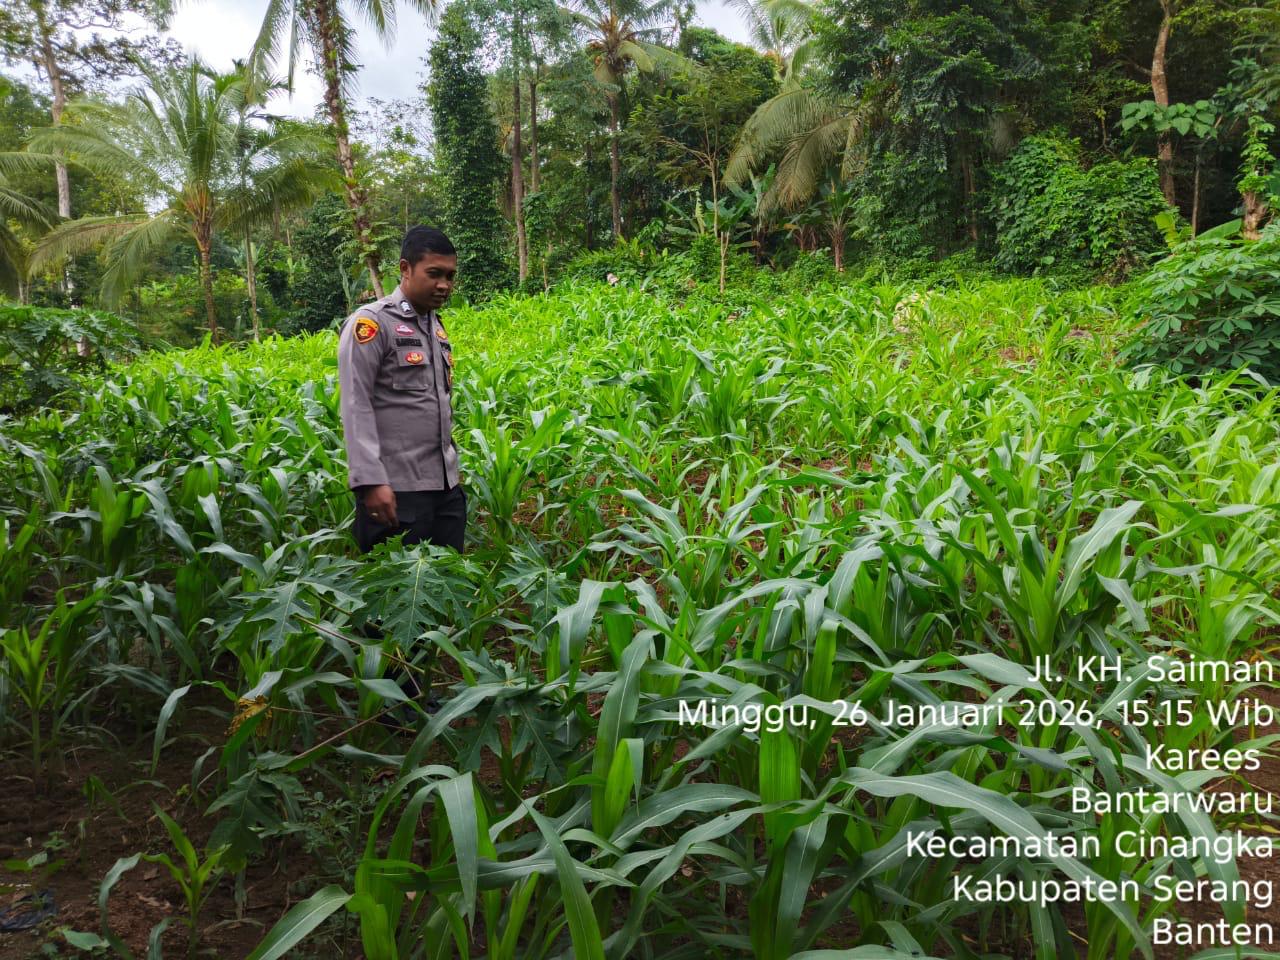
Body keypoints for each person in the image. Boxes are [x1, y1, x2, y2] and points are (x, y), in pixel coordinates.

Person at [337, 226, 466, 555]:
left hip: (445, 490)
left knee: (448, 579)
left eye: (450, 276)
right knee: (395, 585)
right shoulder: (372, 323)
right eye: (434, 274)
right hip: (395, 492)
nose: (444, 285)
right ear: (405, 268)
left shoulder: (434, 325)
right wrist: (370, 482)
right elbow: (356, 403)